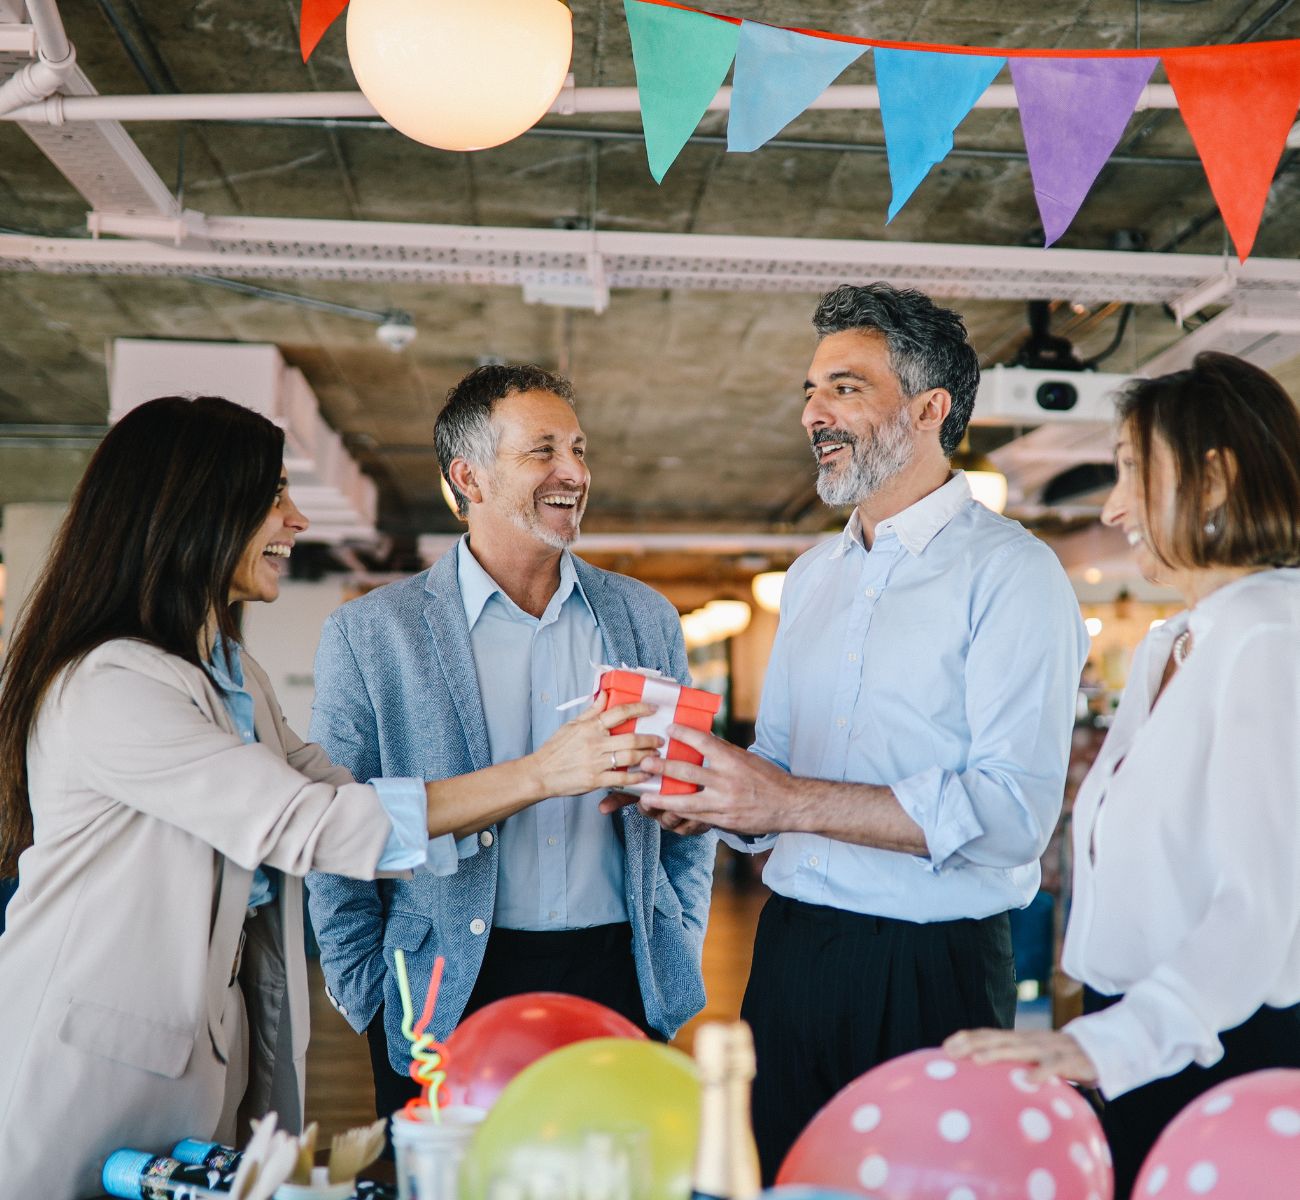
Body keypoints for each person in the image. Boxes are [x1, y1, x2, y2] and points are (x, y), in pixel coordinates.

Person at [0, 395, 652, 1199]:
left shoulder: (234, 679)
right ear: (194, 510)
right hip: (88, 1069)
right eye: (272, 495)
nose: (297, 519)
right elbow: (311, 825)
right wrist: (542, 774)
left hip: (201, 1065)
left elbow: (351, 796)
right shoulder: (111, 685)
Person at [631, 283, 1089, 1181]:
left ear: (929, 409)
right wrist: (705, 795)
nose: (812, 413)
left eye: (843, 388)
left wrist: (782, 798)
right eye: (811, 391)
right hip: (793, 953)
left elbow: (1011, 818)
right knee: (778, 1177)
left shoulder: (1014, 576)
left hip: (934, 971)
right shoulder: (809, 577)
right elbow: (779, 774)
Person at [306, 363, 716, 1123]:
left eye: (581, 450)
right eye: (544, 451)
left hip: (620, 972)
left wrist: (680, 941)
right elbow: (336, 825)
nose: (575, 472)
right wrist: (363, 988)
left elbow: (688, 806)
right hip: (444, 981)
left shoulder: (644, 617)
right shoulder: (372, 635)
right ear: (469, 477)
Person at [946, 352, 1300, 1199]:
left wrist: (1109, 1045)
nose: (1111, 507)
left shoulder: (1267, 636)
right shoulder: (1177, 642)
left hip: (1216, 1044)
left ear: (1214, 479)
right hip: (1142, 1032)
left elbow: (1268, 904)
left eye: (1134, 473)